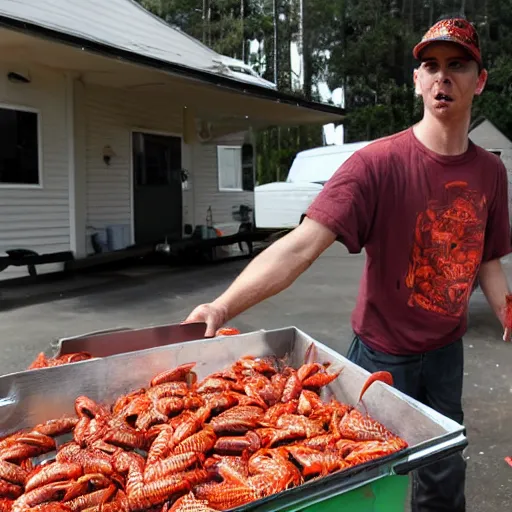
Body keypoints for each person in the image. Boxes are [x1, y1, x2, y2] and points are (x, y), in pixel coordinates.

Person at [184, 15, 511, 512]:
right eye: (432, 65)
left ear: (479, 80)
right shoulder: (376, 165)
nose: (444, 76)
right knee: (366, 484)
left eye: (458, 65)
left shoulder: (490, 171)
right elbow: (300, 245)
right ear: (418, 80)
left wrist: (507, 310)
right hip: (382, 359)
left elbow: (485, 254)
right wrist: (222, 307)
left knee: (444, 477)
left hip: (447, 356)